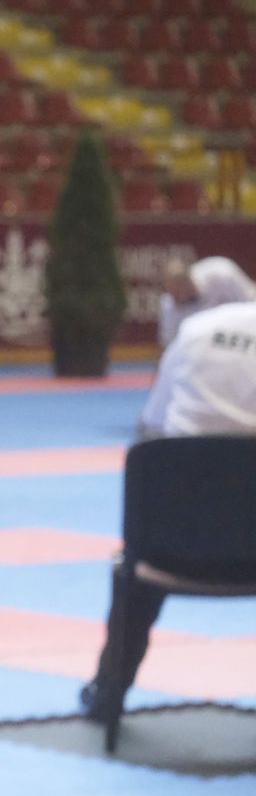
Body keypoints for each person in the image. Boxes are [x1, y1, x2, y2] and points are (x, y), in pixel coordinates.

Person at [82, 298, 256, 723]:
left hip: (170, 550)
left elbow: (153, 422)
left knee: (135, 571)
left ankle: (110, 691)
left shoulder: (197, 329)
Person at [157, 255, 256, 346]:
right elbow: (170, 346)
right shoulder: (170, 305)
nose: (179, 297)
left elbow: (252, 303)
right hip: (204, 349)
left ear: (189, 279)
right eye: (174, 293)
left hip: (242, 337)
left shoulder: (221, 273)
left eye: (179, 290)